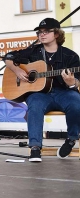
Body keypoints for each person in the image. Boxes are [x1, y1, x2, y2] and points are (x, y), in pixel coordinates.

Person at [5, 18, 80, 162]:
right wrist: (16, 70)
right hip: (39, 93)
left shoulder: (70, 56)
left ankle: (71, 139)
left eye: (46, 32)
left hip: (63, 92)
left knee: (77, 102)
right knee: (35, 106)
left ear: (57, 34)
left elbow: (77, 81)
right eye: (40, 32)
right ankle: (35, 147)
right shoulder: (33, 52)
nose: (42, 34)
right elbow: (8, 57)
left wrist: (72, 82)